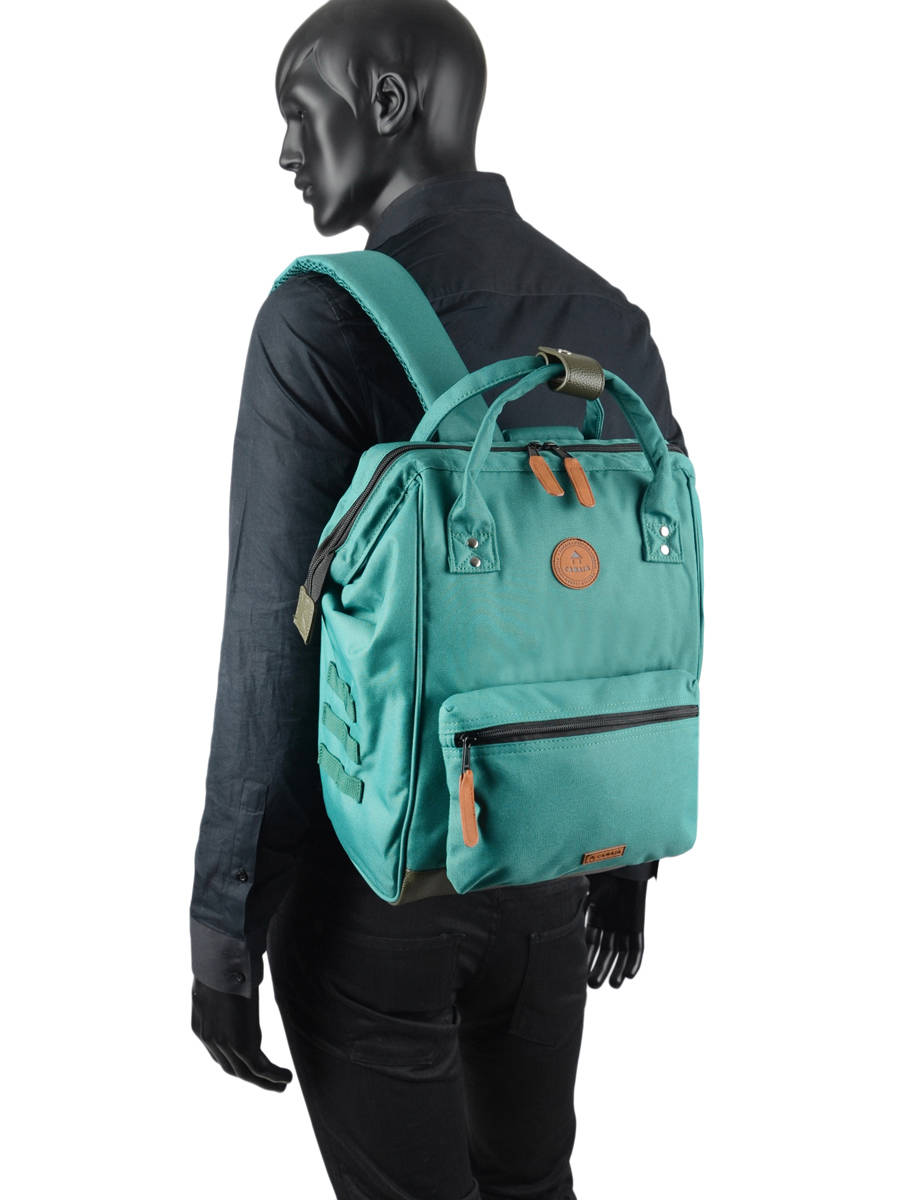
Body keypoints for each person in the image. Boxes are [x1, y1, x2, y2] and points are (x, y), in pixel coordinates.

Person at [190, 2, 685, 1196]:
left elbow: (270, 645)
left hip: (372, 891)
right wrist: (621, 862)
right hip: (547, 870)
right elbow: (641, 612)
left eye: (299, 113)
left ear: (387, 102)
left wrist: (224, 930)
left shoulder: (320, 317)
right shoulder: (609, 323)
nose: (285, 150)